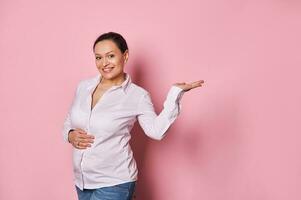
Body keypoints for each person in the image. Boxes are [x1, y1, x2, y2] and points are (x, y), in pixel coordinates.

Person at [62, 32, 204, 200]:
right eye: (98, 58)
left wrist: (175, 95)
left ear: (125, 55)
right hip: (82, 182)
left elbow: (156, 131)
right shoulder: (83, 87)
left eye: (111, 56)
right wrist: (70, 135)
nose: (104, 63)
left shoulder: (137, 96)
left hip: (114, 183)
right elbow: (69, 121)